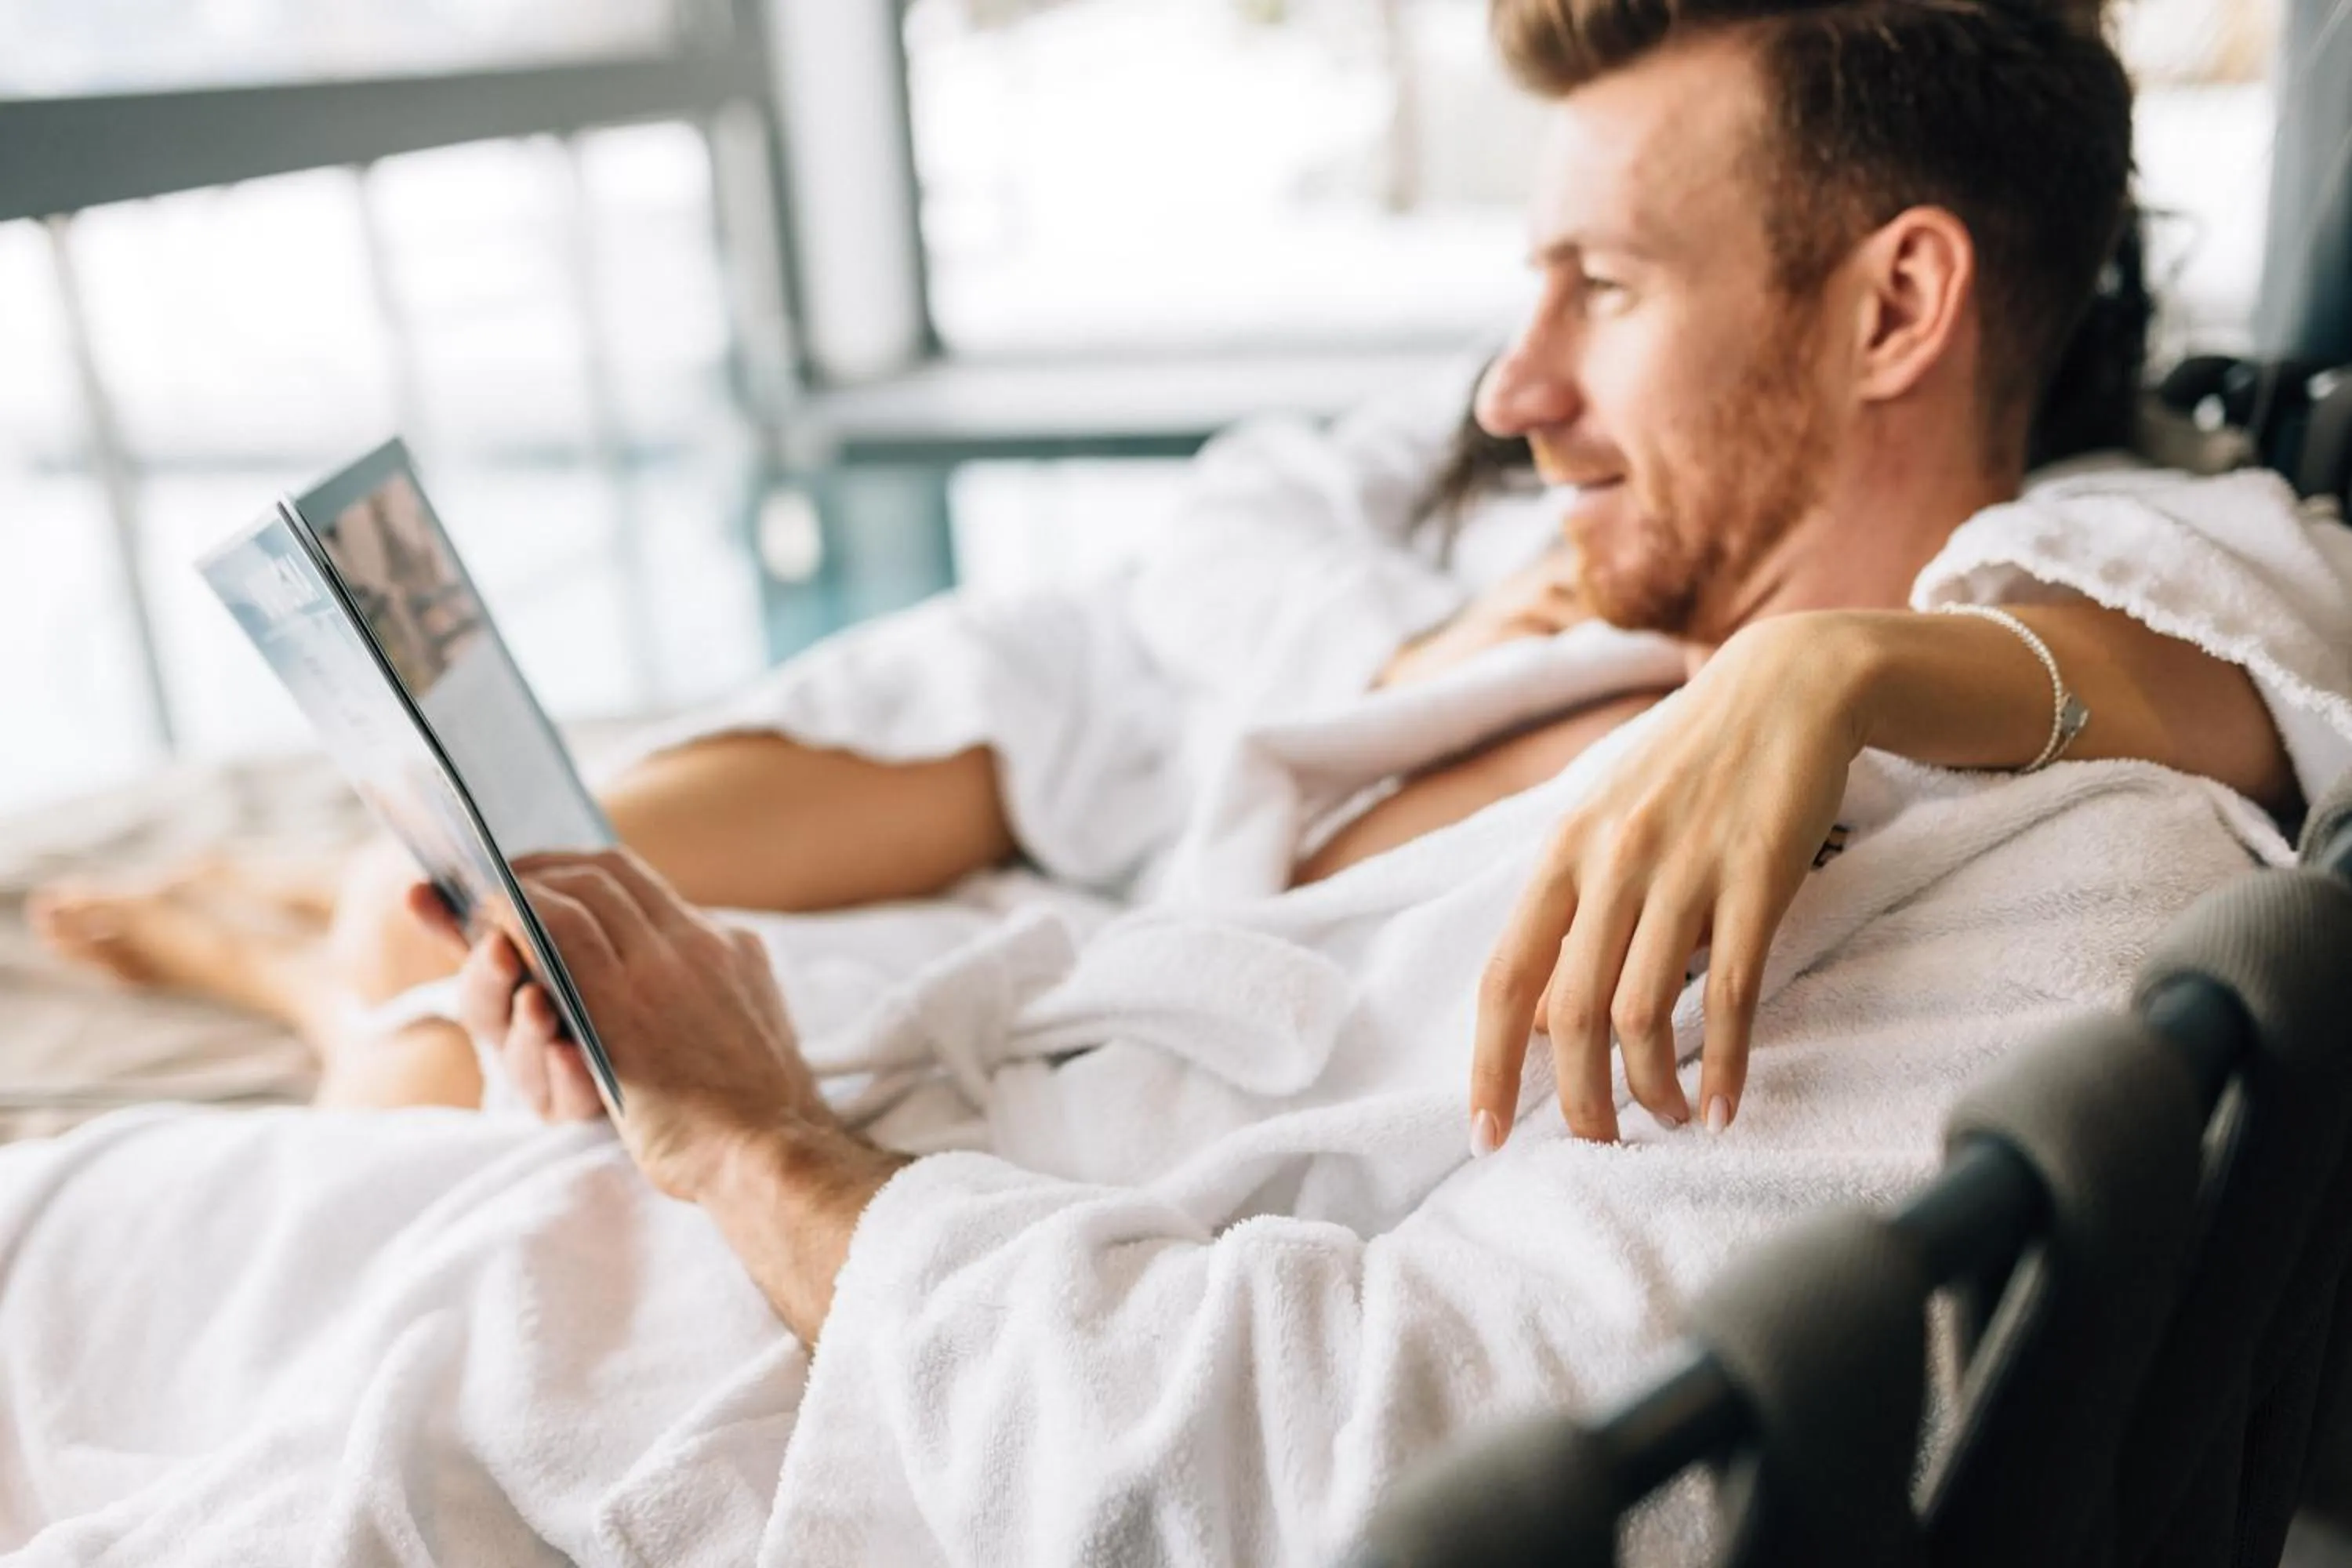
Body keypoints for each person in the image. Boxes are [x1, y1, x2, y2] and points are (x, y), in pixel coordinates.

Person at [9, 0, 2352, 1562]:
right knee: (196, 1136)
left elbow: (1387, 1469)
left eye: (1603, 289)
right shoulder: (1581, 642)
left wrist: (767, 1152)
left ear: (1896, 306)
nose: (1514, 388)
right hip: (755, 1241)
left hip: (760, 1434)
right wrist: (679, 1089)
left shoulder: (2017, 833)